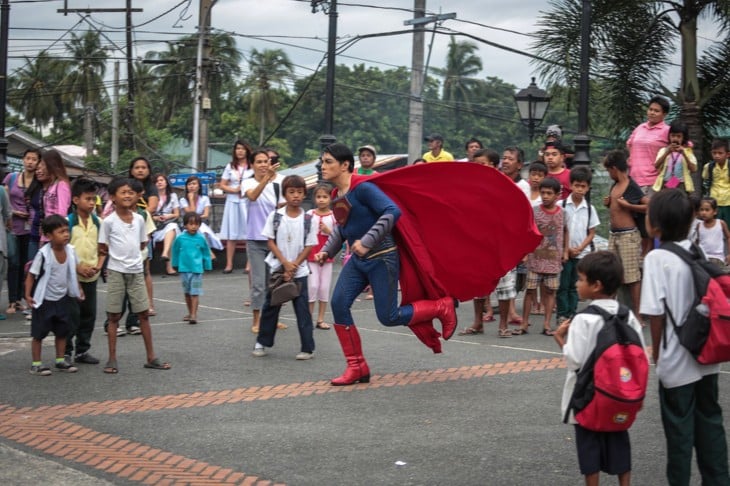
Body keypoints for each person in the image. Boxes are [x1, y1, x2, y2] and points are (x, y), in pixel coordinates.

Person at [640, 188, 730, 485]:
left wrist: (657, 355)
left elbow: (655, 313)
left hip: (676, 360)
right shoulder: (697, 250)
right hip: (706, 354)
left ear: (657, 224)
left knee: (679, 433)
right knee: (710, 424)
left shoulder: (656, 258)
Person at [554, 251, 646, 486]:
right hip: (619, 394)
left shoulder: (583, 319)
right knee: (618, 440)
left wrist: (560, 340)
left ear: (596, 285)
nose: (577, 284)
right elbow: (640, 355)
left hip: (588, 396)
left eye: (581, 279)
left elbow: (575, 360)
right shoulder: (629, 317)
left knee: (589, 446)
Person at [97, 177, 171, 374]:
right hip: (116, 271)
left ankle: (151, 357)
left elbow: (142, 244)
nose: (127, 195)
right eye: (123, 192)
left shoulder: (139, 218)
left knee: (143, 314)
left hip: (136, 271)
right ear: (112, 197)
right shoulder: (108, 222)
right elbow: (103, 246)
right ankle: (112, 359)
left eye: (131, 192)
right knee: (114, 316)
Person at [253, 175, 318, 359]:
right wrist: (285, 263)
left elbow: (309, 245)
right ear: (284, 195)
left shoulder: (308, 219)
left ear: (304, 193)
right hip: (278, 269)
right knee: (271, 306)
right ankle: (262, 342)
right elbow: (270, 241)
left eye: (299, 192)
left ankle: (307, 348)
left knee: (303, 310)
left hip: (300, 271)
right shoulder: (275, 216)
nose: (295, 196)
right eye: (291, 192)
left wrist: (295, 265)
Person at [25, 215, 81, 375]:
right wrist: (28, 295)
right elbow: (31, 275)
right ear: (49, 236)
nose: (65, 234)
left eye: (66, 230)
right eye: (60, 231)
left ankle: (60, 360)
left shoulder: (70, 251)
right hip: (44, 300)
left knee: (62, 331)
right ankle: (36, 364)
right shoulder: (43, 254)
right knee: (39, 333)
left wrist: (78, 288)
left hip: (62, 298)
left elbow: (73, 272)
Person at [517, 178, 568, 336]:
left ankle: (546, 324)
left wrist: (566, 251)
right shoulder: (534, 211)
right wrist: (525, 252)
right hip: (535, 259)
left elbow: (566, 231)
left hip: (553, 260)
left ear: (557, 195)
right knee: (530, 291)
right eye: (543, 192)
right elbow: (528, 232)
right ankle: (524, 323)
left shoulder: (563, 213)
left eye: (549, 193)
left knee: (550, 291)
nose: (545, 196)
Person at [242, 149, 285, 334]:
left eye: (266, 161)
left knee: (274, 283)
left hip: (274, 240)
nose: (263, 165)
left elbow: (283, 205)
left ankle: (272, 319)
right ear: (252, 165)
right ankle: (257, 319)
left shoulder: (279, 183)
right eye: (258, 162)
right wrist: (266, 179)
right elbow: (252, 196)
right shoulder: (247, 182)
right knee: (259, 283)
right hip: (255, 239)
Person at [602, 150, 648, 320]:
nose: (608, 174)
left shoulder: (631, 185)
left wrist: (629, 206)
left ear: (614, 168)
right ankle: (610, 311)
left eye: (609, 170)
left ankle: (638, 315)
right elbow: (615, 208)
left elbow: (648, 206)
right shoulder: (614, 185)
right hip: (614, 234)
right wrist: (609, 204)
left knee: (632, 277)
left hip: (628, 235)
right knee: (612, 273)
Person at [64, 178, 102, 365]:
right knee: (71, 315)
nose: (91, 203)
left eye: (93, 199)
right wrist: (78, 267)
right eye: (87, 198)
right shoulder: (68, 223)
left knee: (89, 314)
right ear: (75, 200)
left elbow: (102, 248)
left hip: (91, 276)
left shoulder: (98, 222)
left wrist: (98, 266)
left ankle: (82, 350)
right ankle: (65, 351)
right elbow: (62, 250)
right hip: (71, 277)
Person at [556, 167, 600, 322]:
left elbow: (592, 232)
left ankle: (572, 314)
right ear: (571, 185)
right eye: (577, 185)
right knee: (562, 284)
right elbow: (558, 229)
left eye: (583, 186)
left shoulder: (589, 209)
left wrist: (580, 247)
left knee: (575, 285)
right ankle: (562, 313)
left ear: (588, 188)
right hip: (564, 253)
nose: (580, 189)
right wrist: (566, 248)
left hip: (582, 253)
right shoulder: (561, 205)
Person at [4, 148, 38, 315]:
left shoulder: (39, 181)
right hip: (12, 227)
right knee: (13, 262)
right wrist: (14, 212)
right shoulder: (11, 178)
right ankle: (12, 300)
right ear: (23, 160)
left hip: (31, 228)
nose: (30, 162)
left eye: (34, 159)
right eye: (28, 158)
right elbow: (5, 198)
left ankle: (21, 298)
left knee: (26, 264)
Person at [128, 157, 159, 316]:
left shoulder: (151, 188)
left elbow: (151, 207)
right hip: (125, 230)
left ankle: (149, 303)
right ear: (131, 170)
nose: (140, 170)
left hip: (144, 230)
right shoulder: (125, 186)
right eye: (137, 167)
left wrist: (135, 214)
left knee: (145, 269)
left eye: (144, 167)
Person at [171, 212, 213, 325]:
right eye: (191, 224)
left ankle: (194, 314)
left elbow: (206, 253)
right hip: (184, 269)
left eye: (196, 224)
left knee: (195, 292)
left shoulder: (201, 238)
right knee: (187, 292)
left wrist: (207, 265)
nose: (193, 227)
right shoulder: (180, 238)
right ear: (185, 225)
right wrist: (174, 264)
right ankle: (190, 312)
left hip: (197, 270)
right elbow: (174, 252)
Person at [219, 140, 252, 274]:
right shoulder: (230, 166)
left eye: (242, 148)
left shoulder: (252, 166)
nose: (240, 151)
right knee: (231, 234)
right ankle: (229, 264)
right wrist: (233, 190)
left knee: (249, 233)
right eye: (238, 148)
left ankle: (249, 264)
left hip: (247, 200)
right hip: (233, 200)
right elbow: (222, 184)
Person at [627, 95, 670, 194]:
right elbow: (629, 144)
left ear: (664, 114)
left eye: (656, 111)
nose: (652, 113)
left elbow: (684, 148)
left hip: (653, 183)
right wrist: (632, 158)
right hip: (633, 181)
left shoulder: (667, 130)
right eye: (650, 109)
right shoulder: (640, 127)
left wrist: (670, 185)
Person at [307, 183, 335, 330]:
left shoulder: (334, 216)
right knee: (312, 286)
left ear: (331, 198)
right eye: (319, 197)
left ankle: (321, 319)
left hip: (327, 257)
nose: (322, 200)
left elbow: (339, 237)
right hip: (311, 255)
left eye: (325, 196)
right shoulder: (310, 214)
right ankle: (309, 318)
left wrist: (328, 230)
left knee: (324, 288)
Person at [180, 175, 223, 253]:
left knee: (202, 231)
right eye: (189, 184)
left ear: (199, 186)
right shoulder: (183, 200)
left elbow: (206, 215)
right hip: (187, 226)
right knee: (199, 230)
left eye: (194, 184)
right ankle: (209, 253)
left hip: (201, 223)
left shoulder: (205, 199)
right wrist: (191, 199)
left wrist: (197, 218)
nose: (191, 186)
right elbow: (191, 215)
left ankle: (205, 253)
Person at [652, 120, 697, 194]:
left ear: (683, 138)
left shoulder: (688, 151)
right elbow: (656, 165)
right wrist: (667, 152)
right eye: (673, 136)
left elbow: (694, 169)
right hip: (665, 183)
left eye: (679, 136)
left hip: (682, 184)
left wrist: (684, 154)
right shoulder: (664, 150)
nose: (675, 139)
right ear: (669, 136)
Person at [152, 173, 181, 276]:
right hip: (155, 227)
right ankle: (169, 266)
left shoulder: (173, 196)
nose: (159, 182)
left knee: (172, 227)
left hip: (168, 223)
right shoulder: (151, 196)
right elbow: (147, 214)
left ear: (166, 182)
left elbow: (177, 214)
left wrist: (168, 216)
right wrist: (156, 218)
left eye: (161, 180)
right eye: (157, 181)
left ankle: (165, 255)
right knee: (172, 231)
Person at [694, 197, 730, 270]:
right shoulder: (699, 226)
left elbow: (728, 237)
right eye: (701, 210)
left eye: (707, 210)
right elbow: (697, 241)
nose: (704, 212)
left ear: (715, 211)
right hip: (703, 258)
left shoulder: (721, 223)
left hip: (718, 258)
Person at [702, 138, 730, 228]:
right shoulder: (708, 167)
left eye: (720, 153)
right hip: (714, 201)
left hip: (728, 201)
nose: (717, 156)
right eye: (714, 153)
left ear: (727, 154)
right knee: (714, 226)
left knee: (728, 227)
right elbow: (705, 179)